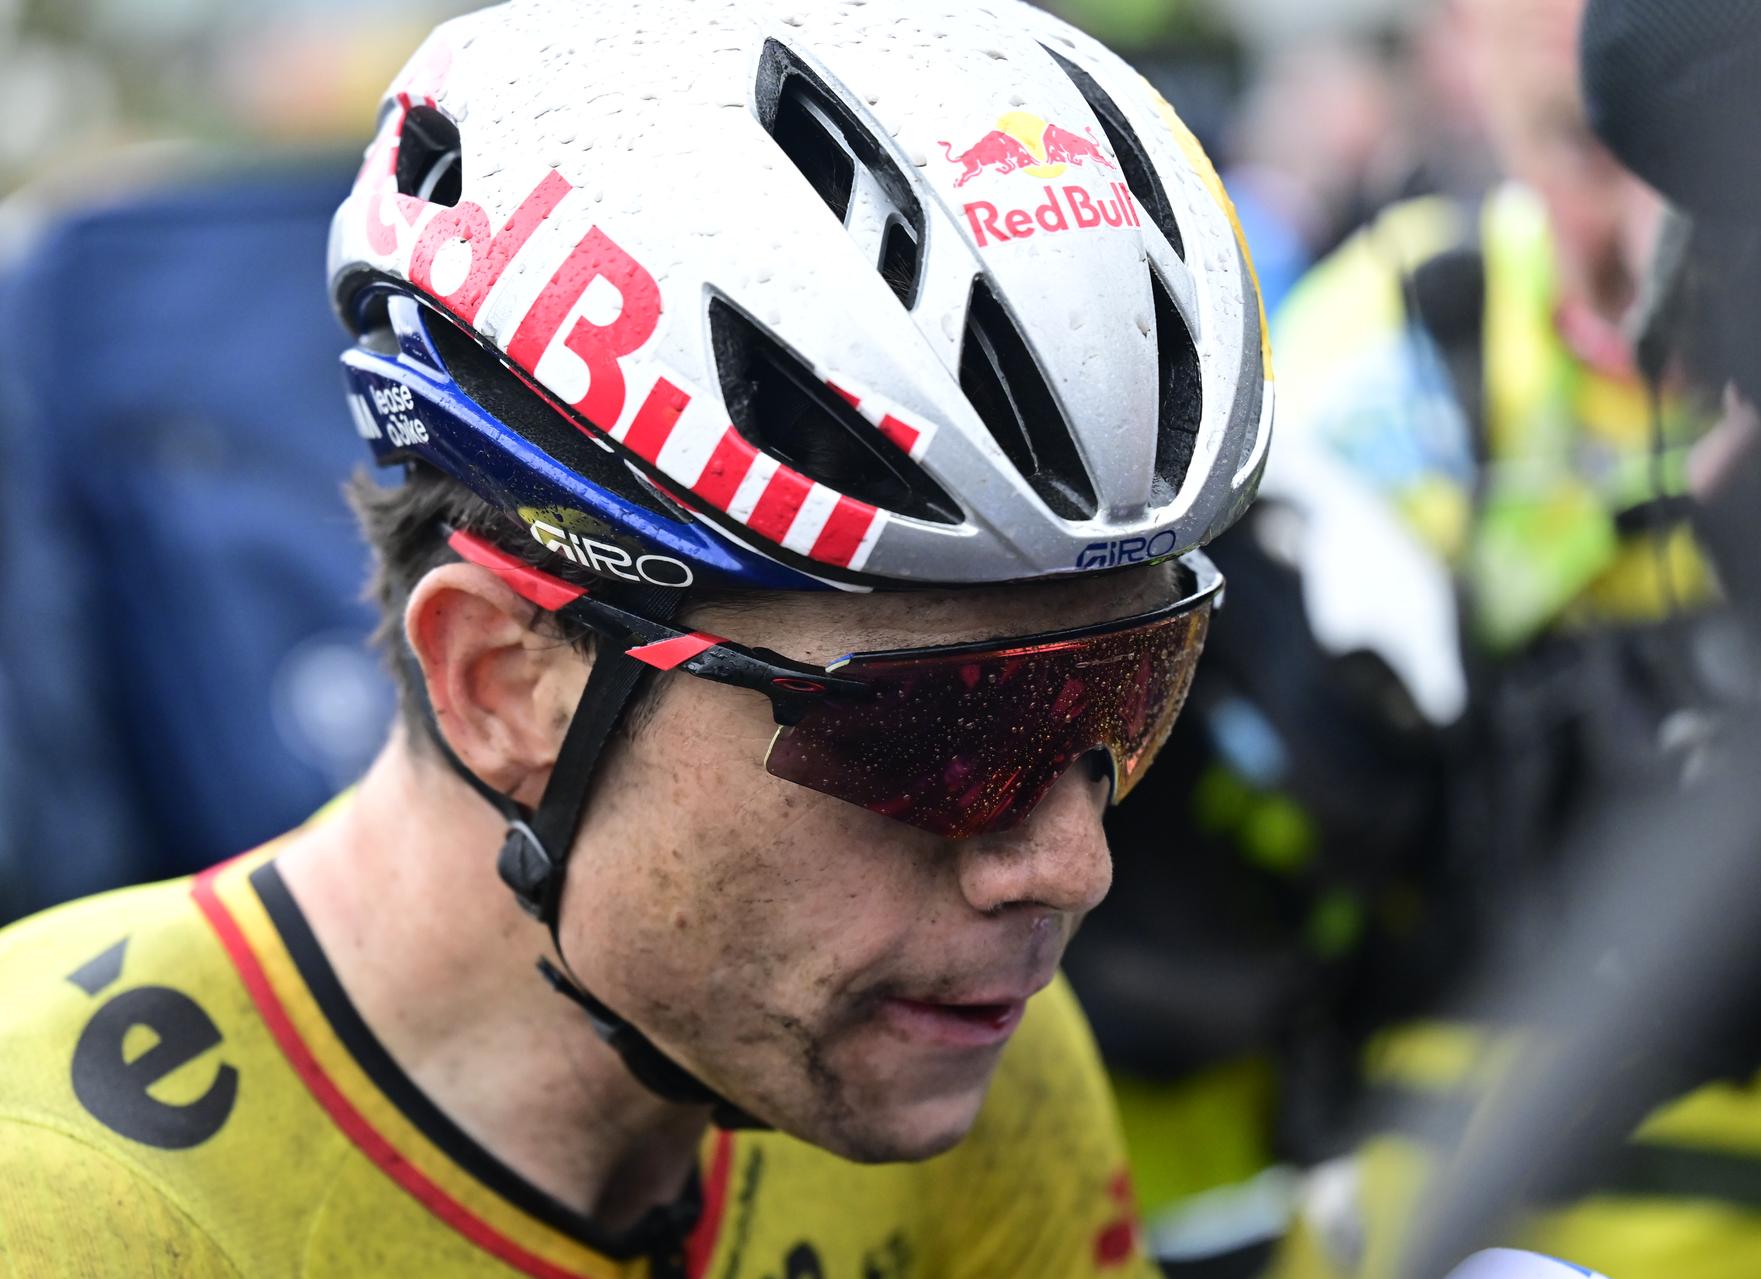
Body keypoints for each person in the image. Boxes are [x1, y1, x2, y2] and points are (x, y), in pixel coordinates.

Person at [0, 2, 1273, 1275]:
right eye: (940, 735)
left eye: (1133, 693)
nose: (1070, 866)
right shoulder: (59, 1208)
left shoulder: (964, 1041)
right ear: (502, 683)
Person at [1268, 0, 1761, 1276]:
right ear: (1465, 53)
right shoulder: (1389, 341)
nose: (1641, 232)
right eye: (1577, 146)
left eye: (1722, 155)